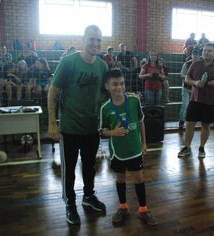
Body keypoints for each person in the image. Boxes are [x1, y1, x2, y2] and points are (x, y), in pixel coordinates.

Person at [48, 25, 107, 225]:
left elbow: (106, 93)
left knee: (90, 167)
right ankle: (70, 203)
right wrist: (52, 123)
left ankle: (88, 196)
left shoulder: (102, 66)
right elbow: (53, 92)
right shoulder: (68, 62)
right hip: (70, 128)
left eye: (98, 40)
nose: (95, 43)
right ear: (83, 39)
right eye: (92, 39)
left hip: (92, 128)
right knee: (69, 169)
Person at [99, 69, 157, 225]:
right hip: (118, 152)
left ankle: (143, 209)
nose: (119, 87)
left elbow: (141, 122)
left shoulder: (134, 101)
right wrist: (113, 132)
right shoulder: (105, 108)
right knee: (121, 178)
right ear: (107, 86)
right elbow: (102, 133)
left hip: (134, 149)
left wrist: (144, 143)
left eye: (122, 83)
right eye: (115, 84)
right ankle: (123, 206)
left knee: (138, 178)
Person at [178, 43, 214, 158]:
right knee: (190, 124)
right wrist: (195, 83)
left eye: (209, 51)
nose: (206, 52)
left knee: (206, 125)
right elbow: (187, 78)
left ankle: (201, 148)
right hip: (195, 100)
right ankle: (187, 147)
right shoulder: (195, 64)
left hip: (210, 101)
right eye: (205, 50)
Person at [178, 49, 200, 129]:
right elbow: (182, 75)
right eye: (194, 54)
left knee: (194, 106)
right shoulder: (187, 64)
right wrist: (190, 78)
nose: (195, 56)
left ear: (199, 55)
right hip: (186, 88)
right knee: (185, 105)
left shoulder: (201, 65)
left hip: (196, 89)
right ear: (191, 55)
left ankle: (191, 121)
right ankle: (181, 121)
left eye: (197, 54)